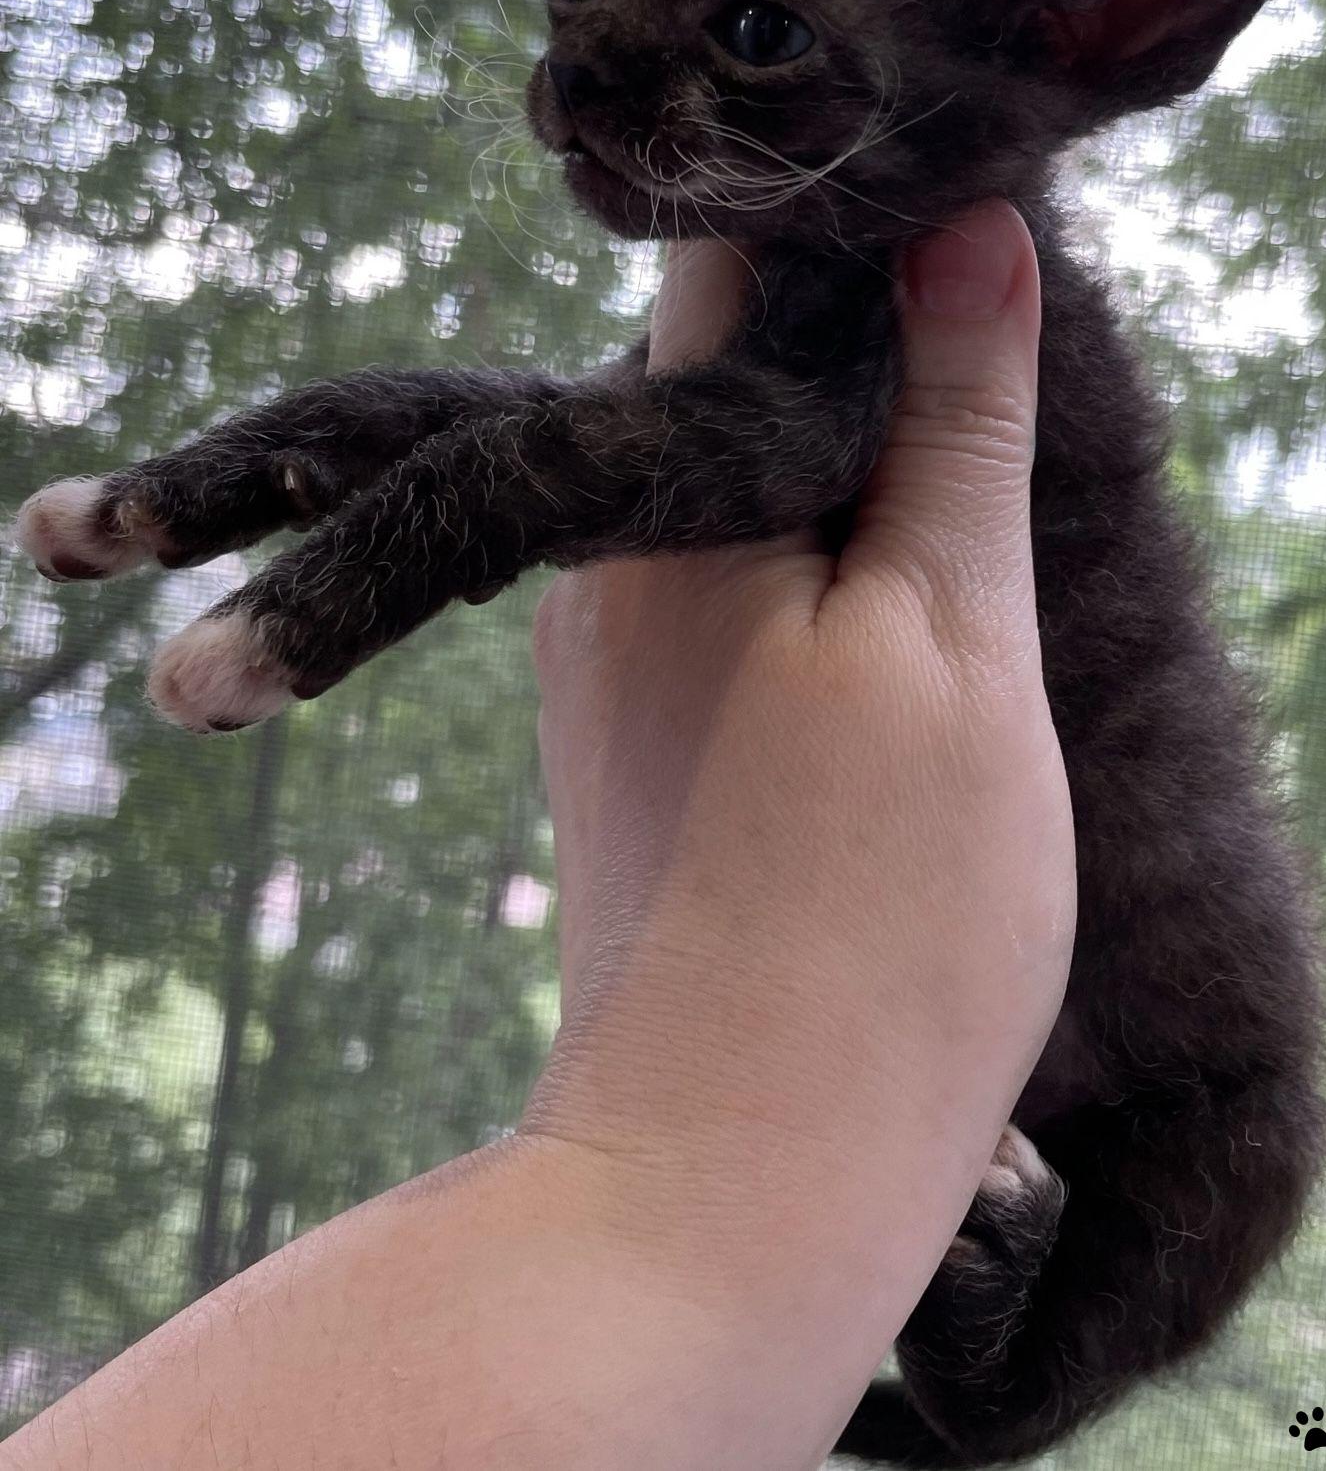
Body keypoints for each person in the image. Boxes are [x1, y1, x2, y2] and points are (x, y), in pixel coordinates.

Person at [1, 200, 1075, 1471]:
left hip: (1103, 1106)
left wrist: (326, 597)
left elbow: (687, 445)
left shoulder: (892, 250)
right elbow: (601, 439)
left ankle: (986, 1382)